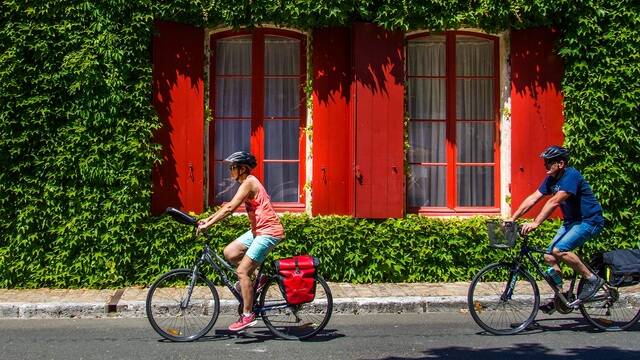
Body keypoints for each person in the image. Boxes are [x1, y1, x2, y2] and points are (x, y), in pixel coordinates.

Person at [197, 151, 285, 331]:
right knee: (230, 252)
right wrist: (208, 219)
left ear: (242, 169)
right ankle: (259, 279)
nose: (230, 171)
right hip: (258, 230)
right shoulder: (247, 182)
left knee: (242, 271)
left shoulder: (250, 182)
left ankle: (247, 315)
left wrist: (209, 225)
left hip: (268, 232)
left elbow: (230, 208)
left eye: (233, 168)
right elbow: (227, 205)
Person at [509, 145, 605, 309]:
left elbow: (554, 201)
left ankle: (592, 279)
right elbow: (534, 198)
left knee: (559, 250)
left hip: (589, 221)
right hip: (571, 222)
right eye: (545, 162)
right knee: (549, 257)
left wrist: (536, 223)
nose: (545, 165)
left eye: (549, 162)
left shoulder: (571, 175)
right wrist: (513, 218)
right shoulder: (551, 179)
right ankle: (560, 298)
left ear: (560, 163)